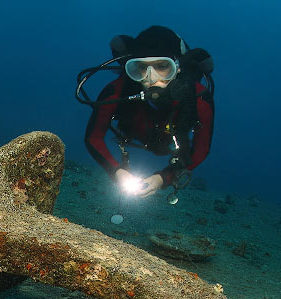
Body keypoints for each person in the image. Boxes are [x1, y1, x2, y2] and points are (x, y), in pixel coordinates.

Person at [77, 26, 214, 200]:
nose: (151, 78)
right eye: (141, 67)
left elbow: (202, 148)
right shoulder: (115, 92)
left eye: (163, 66)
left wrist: (163, 178)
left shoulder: (199, 99)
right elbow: (93, 138)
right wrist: (116, 171)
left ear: (178, 67)